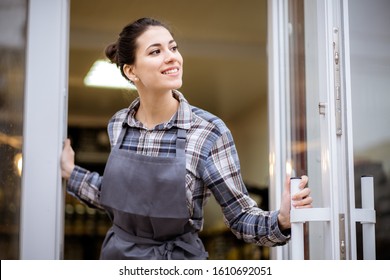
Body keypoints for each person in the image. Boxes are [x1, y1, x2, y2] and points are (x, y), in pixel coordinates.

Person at [61, 17, 313, 260]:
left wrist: (281, 220)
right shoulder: (119, 125)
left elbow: (240, 216)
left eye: (173, 47)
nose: (172, 56)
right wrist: (70, 172)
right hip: (118, 259)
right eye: (155, 51)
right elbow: (114, 196)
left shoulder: (208, 132)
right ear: (131, 71)